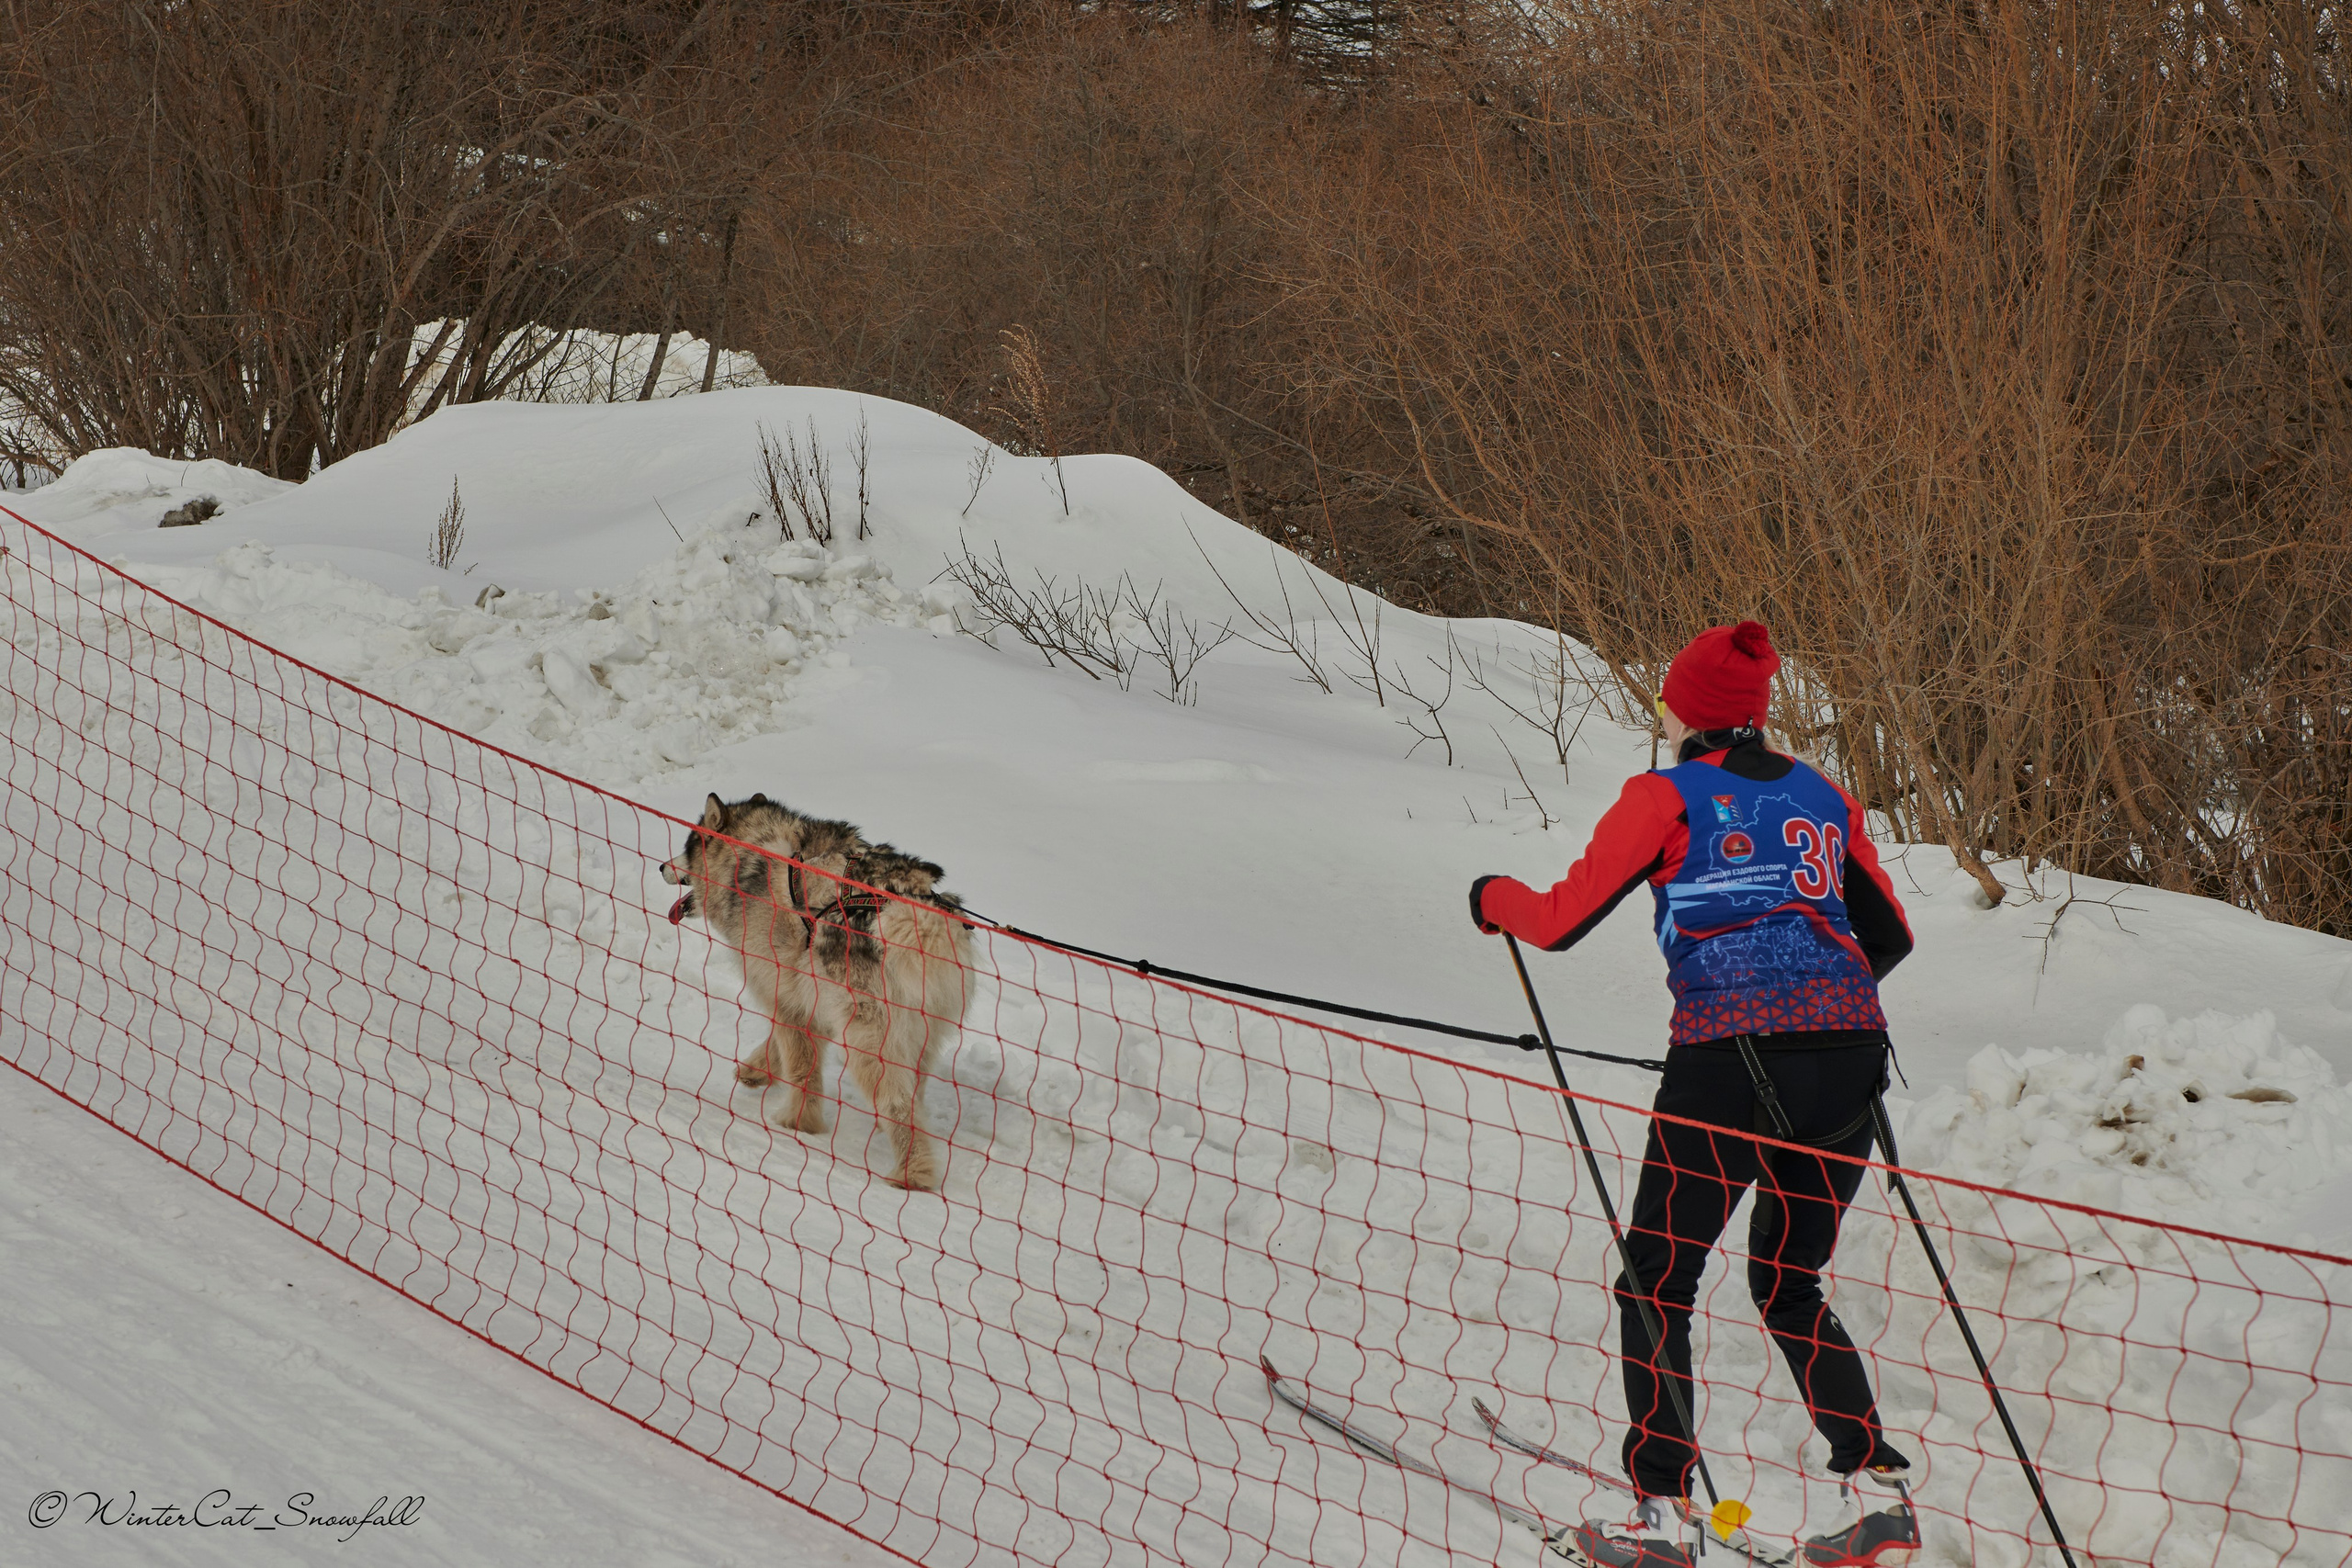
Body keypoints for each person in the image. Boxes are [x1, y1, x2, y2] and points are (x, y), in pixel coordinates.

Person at [1467, 621, 1921, 1568]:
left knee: (1656, 1281)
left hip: (1726, 1060)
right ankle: (1878, 1499)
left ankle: (1661, 1520)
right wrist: (1811, 1002)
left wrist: (1490, 896)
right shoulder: (1822, 795)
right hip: (1846, 1056)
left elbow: (1556, 922)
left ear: (1682, 709)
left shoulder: (1663, 794)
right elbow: (1888, 936)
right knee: (1788, 1283)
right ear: (1755, 713)